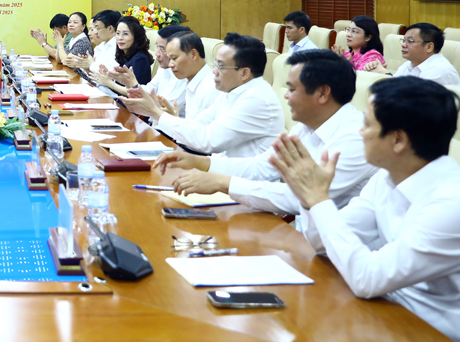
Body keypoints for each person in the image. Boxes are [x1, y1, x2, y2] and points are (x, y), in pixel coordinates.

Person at [270, 77, 460, 341]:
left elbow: (367, 279)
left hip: (428, 330)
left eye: (367, 124)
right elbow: (322, 243)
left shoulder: (451, 204)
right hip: (383, 310)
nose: (359, 132)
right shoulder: (386, 176)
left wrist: (319, 199)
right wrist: (308, 197)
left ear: (398, 140)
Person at [153, 50, 377, 230]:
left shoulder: (355, 139)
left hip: (340, 253)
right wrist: (202, 162)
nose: (285, 95)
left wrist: (223, 183)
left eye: (292, 89)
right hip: (306, 238)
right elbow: (263, 165)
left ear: (322, 93)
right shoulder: (307, 126)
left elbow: (299, 198)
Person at [122, 33, 284, 158]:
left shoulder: (256, 100)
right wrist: (160, 114)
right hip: (222, 173)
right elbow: (197, 125)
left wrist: (155, 112)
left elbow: (208, 140)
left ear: (244, 73)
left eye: (220, 66)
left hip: (243, 185)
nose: (214, 71)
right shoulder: (231, 92)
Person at [122, 30, 218, 120]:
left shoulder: (210, 88)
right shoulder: (191, 80)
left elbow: (198, 130)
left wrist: (156, 111)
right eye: (170, 59)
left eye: (174, 58)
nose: (171, 64)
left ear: (193, 54)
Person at [364, 22, 460, 85]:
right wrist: (377, 72)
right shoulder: (408, 65)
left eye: (410, 41)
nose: (403, 45)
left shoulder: (440, 70)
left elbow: (412, 98)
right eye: (403, 40)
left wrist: (384, 73)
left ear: (429, 47)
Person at [94, 15, 154, 92]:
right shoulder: (125, 55)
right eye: (118, 33)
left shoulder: (140, 59)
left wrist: (110, 83)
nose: (120, 38)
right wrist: (109, 77)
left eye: (125, 34)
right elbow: (121, 84)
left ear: (136, 36)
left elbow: (138, 92)